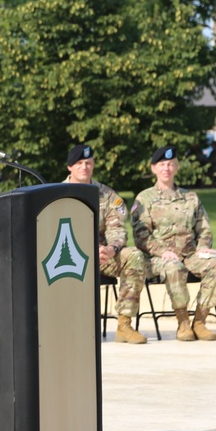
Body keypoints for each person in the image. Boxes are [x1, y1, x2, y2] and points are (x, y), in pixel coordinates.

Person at [130, 145, 216, 342]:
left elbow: (204, 228)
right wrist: (162, 251)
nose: (166, 168)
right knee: (174, 267)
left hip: (190, 254)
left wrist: (202, 247)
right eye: (162, 164)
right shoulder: (144, 198)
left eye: (170, 164)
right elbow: (141, 236)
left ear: (176, 167)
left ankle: (199, 321)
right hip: (157, 259)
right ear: (153, 169)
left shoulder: (190, 197)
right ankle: (183, 322)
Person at [63, 144, 150, 344]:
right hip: (68, 258)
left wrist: (111, 249)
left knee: (134, 256)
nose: (84, 167)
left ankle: (124, 325)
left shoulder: (107, 196)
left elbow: (117, 228)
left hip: (103, 256)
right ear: (69, 167)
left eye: (88, 163)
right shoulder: (57, 194)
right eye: (79, 163)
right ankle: (67, 327)